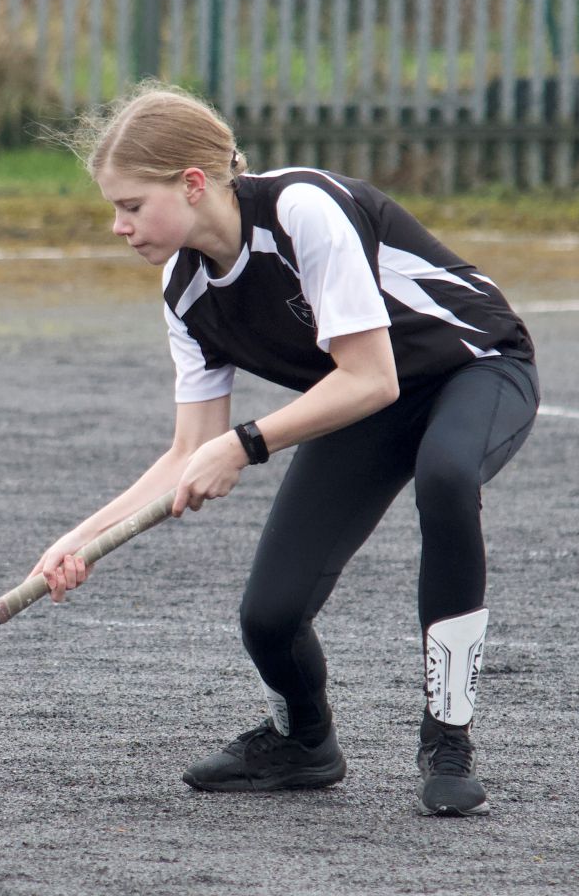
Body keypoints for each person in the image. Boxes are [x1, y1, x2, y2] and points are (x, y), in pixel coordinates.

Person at [33, 86, 539, 816]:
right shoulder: (185, 293)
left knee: (448, 476)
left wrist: (246, 445)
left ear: (193, 184)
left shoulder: (302, 211)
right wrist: (76, 543)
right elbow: (188, 452)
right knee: (269, 617)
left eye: (131, 205)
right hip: (366, 406)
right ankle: (303, 743)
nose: (118, 226)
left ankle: (448, 737)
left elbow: (370, 375)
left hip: (476, 367)